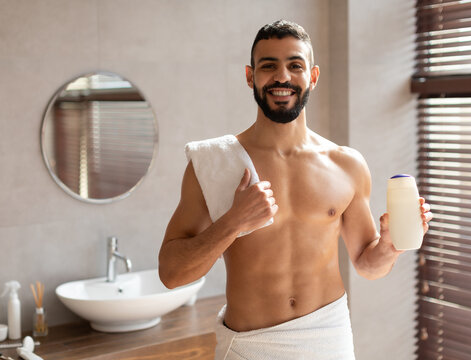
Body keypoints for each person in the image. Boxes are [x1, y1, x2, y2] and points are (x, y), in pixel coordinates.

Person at [158, 20, 433, 360]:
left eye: (295, 65)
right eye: (268, 66)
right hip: (249, 348)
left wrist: (390, 246)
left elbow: (366, 264)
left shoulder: (346, 165)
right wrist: (233, 222)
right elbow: (171, 274)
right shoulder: (214, 164)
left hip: (328, 342)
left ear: (313, 77)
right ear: (250, 76)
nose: (282, 77)